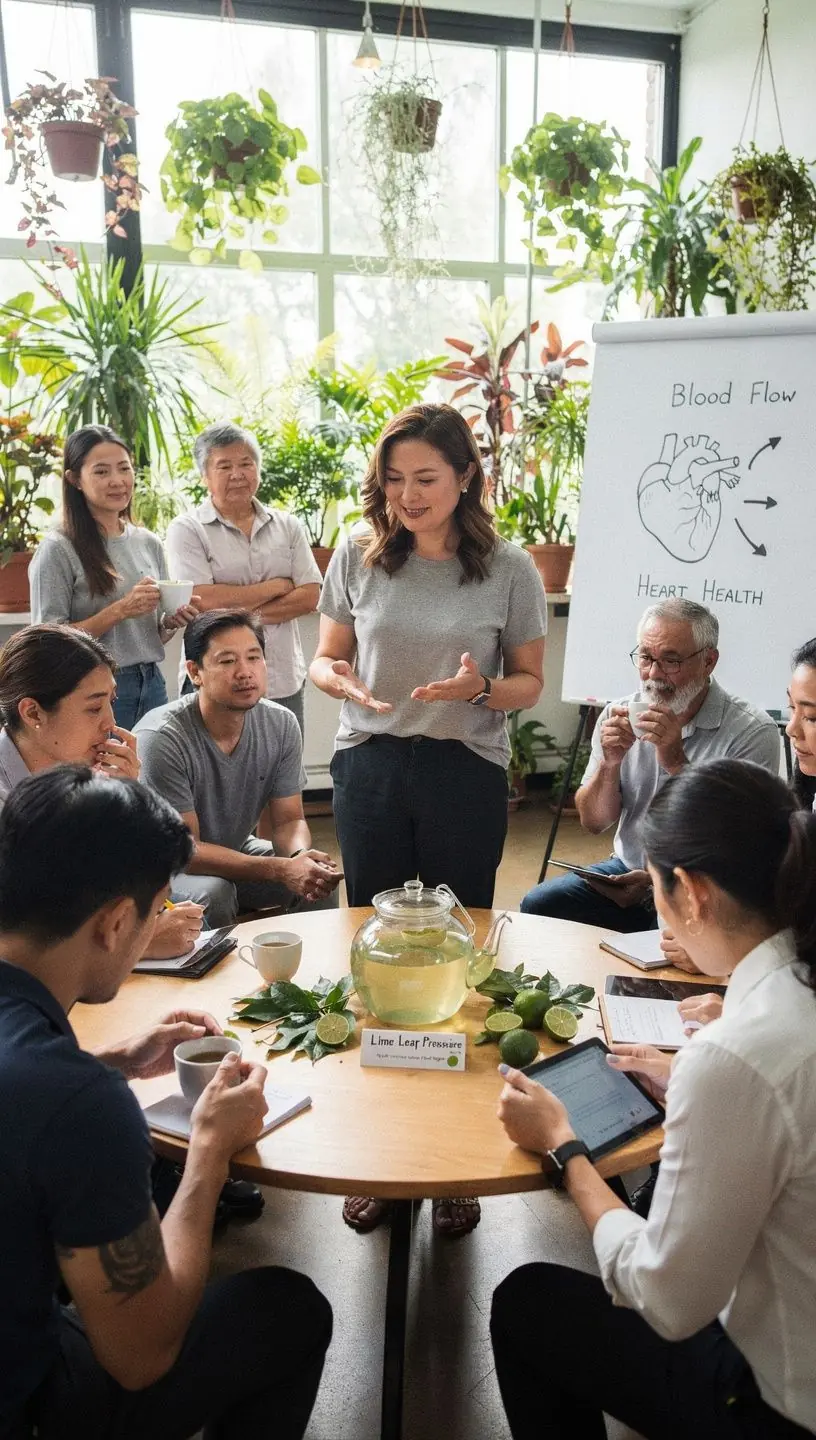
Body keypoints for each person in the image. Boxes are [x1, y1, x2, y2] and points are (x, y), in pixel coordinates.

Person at [0, 765, 331, 1440]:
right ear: (117, 921)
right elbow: (141, 1357)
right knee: (288, 1309)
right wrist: (209, 1152)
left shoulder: (55, 1079)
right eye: (158, 912)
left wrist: (113, 1060)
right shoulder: (81, 1107)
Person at [492, 758, 816, 1439]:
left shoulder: (735, 1055)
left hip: (780, 1402)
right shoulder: (780, 1006)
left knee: (527, 1303)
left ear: (692, 893)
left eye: (655, 884)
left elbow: (668, 1300)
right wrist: (693, 1082)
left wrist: (565, 1148)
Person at [311, 403, 546, 1238]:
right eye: (394, 480)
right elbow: (326, 657)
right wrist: (340, 682)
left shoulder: (509, 567)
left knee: (458, 951)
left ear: (466, 477)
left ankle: (452, 1165)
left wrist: (478, 689)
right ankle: (379, 1157)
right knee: (373, 951)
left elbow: (528, 684)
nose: (407, 496)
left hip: (463, 770)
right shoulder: (359, 553)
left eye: (426, 479)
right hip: (371, 764)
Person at [521, 598, 780, 932]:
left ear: (708, 661)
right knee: (540, 906)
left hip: (707, 891)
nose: (654, 674)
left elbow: (740, 844)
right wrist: (609, 765)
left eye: (671, 661)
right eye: (645, 657)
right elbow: (594, 821)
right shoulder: (618, 714)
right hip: (628, 874)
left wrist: (676, 763)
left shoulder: (752, 731)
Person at [0, 623, 202, 962]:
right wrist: (140, 943)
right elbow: (21, 939)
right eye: (94, 708)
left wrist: (127, 799)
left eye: (112, 701)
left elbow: (133, 885)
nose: (110, 723)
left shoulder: (79, 777)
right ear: (33, 712)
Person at [135, 610, 341, 927]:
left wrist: (299, 859)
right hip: (162, 869)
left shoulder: (281, 724)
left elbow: (289, 820)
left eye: (254, 657)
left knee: (318, 880)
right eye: (228, 661)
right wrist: (279, 869)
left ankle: (301, 963)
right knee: (215, 893)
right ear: (195, 672)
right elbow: (187, 850)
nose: (245, 672)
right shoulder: (161, 737)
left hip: (232, 849)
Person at [29, 426, 198, 729]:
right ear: (74, 479)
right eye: (101, 471)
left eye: (124, 468)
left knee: (149, 761)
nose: (117, 481)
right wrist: (120, 610)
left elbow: (148, 635)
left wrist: (170, 622)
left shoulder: (148, 542)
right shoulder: (58, 547)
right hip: (93, 690)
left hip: (152, 682)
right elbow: (47, 641)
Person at [166, 422, 321, 734]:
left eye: (246, 464)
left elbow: (310, 595)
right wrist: (277, 587)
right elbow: (203, 600)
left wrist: (235, 611)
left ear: (258, 469)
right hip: (213, 682)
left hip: (281, 680)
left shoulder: (287, 525)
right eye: (224, 466)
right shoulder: (187, 529)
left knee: (282, 761)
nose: (237, 474)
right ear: (204, 476)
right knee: (209, 763)